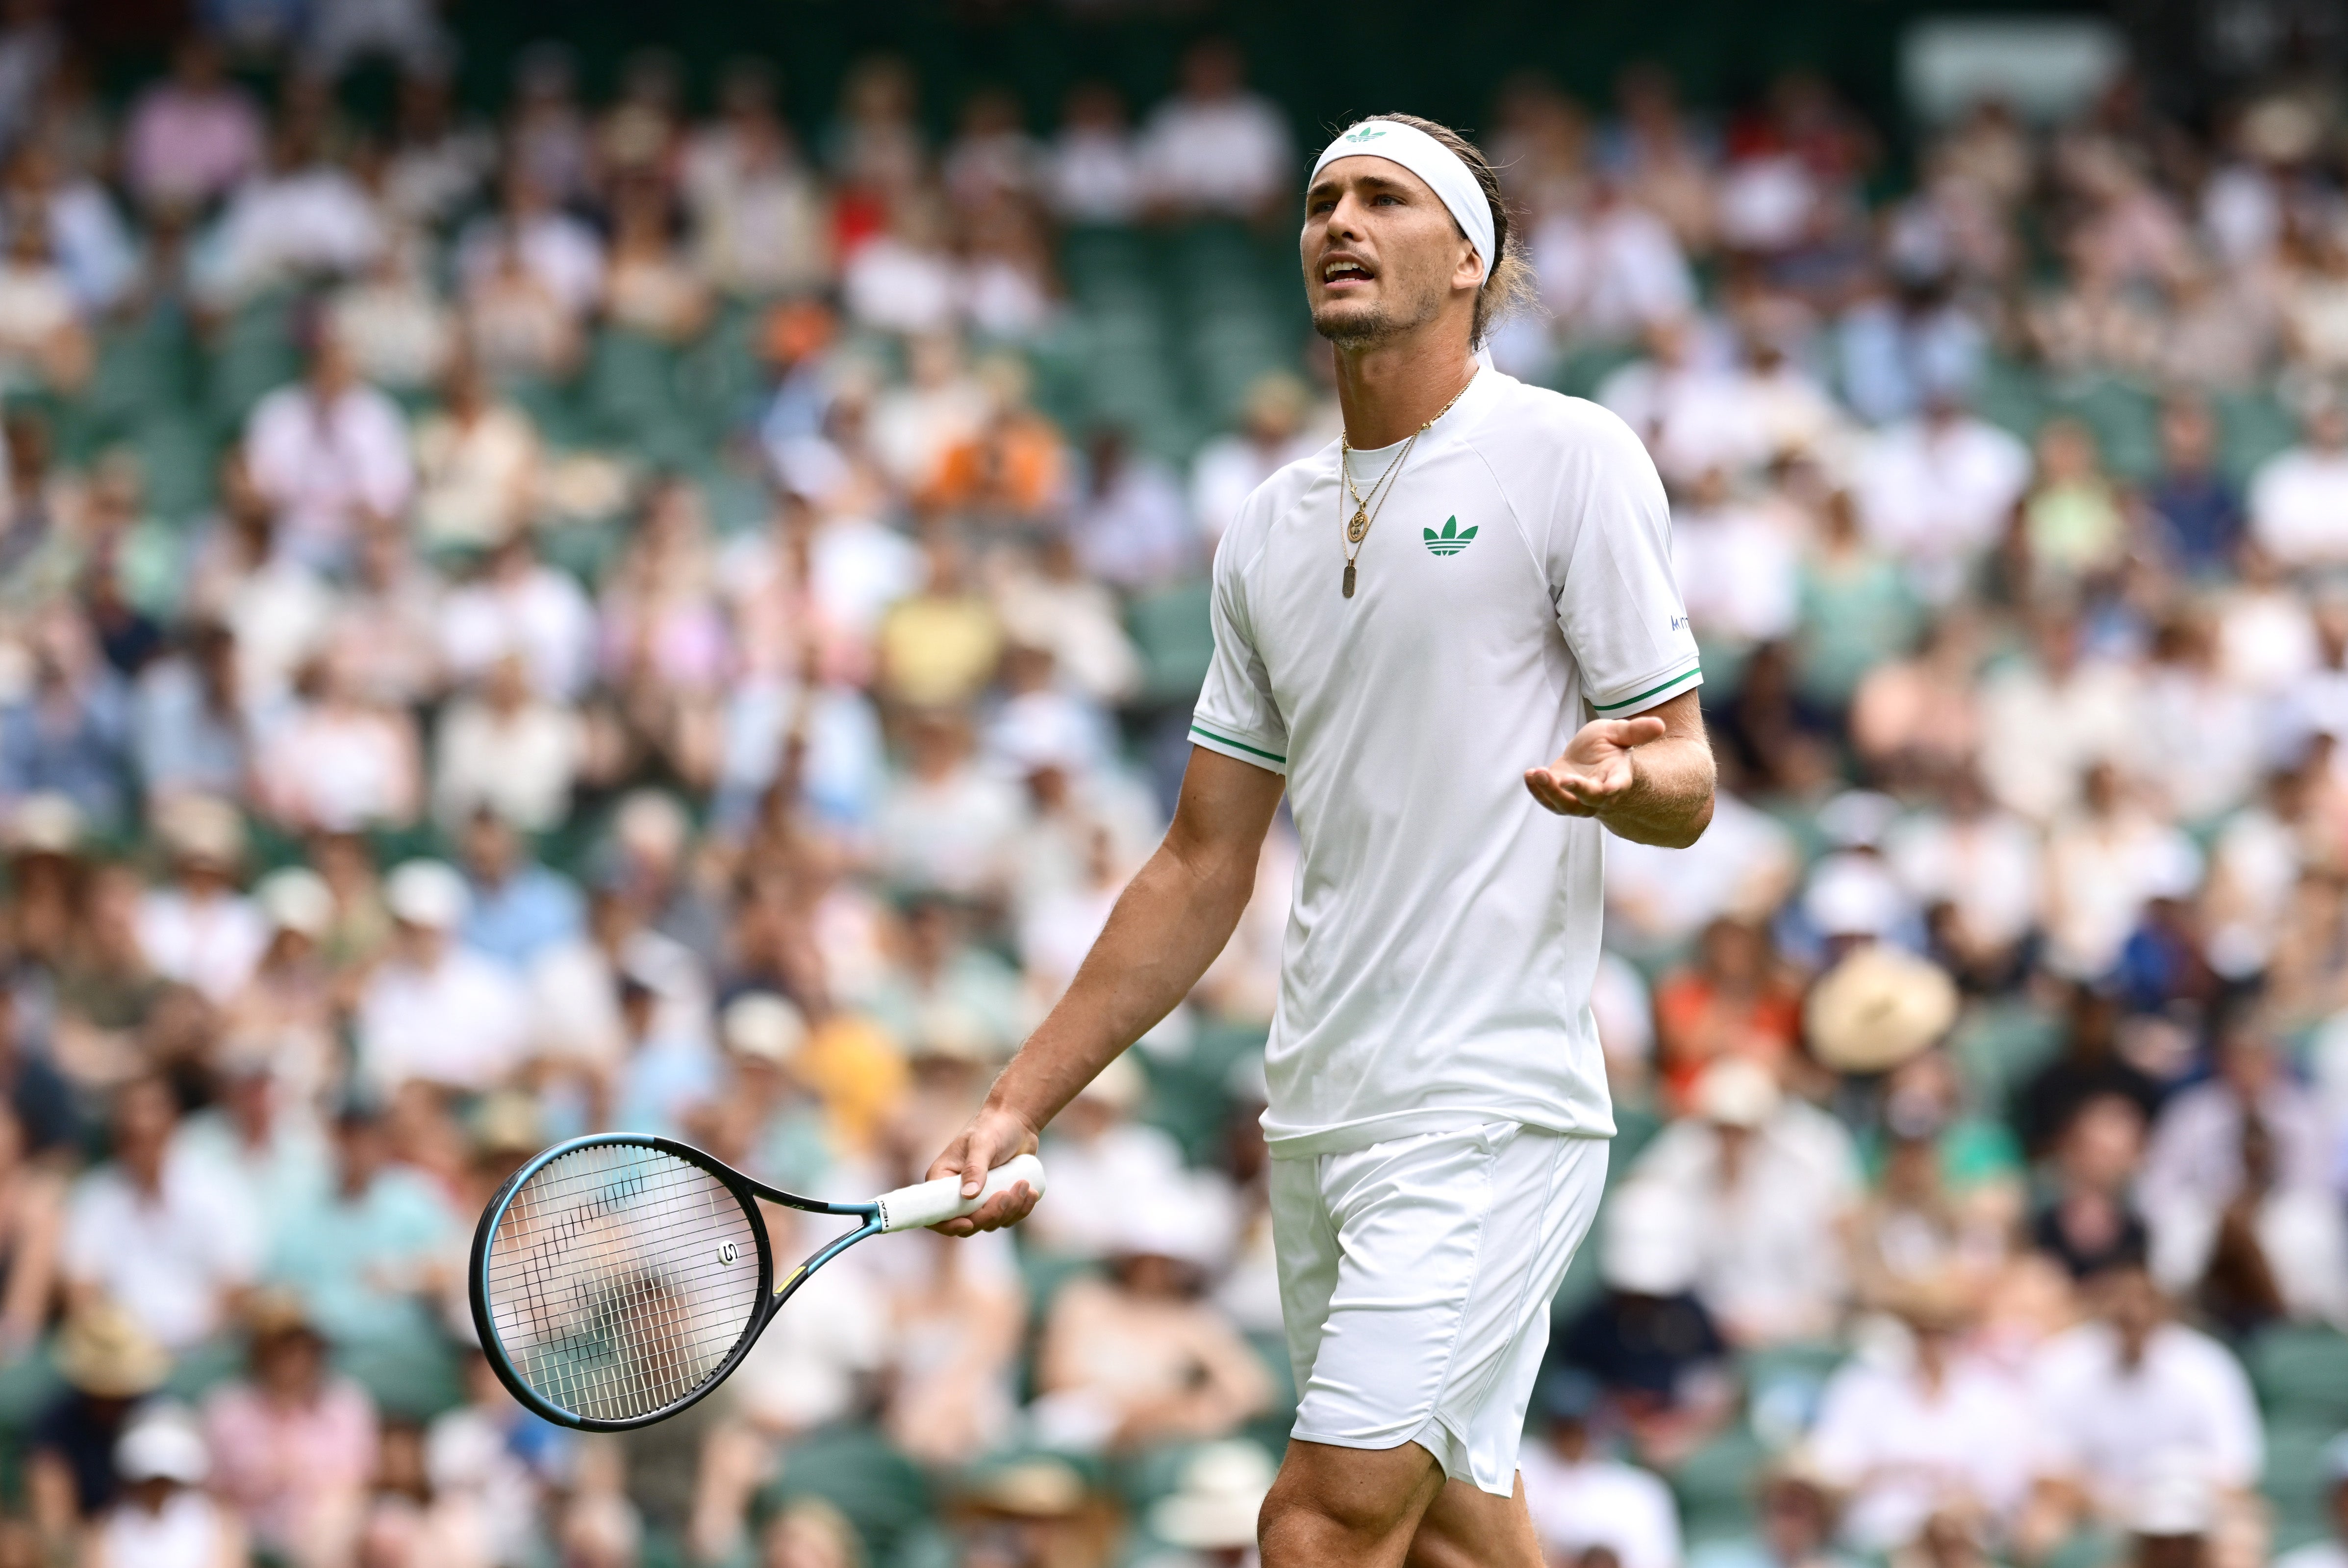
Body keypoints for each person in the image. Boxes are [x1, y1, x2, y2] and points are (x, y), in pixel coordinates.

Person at [925, 114, 1714, 1568]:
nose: (1340, 222)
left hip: (1485, 1103)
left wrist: (1627, 781)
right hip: (1319, 1114)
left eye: (1385, 200)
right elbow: (1198, 864)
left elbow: (1690, 774)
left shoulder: (1569, 456)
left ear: (1469, 260)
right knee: (1452, 1535)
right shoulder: (1268, 529)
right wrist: (1019, 1099)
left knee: (1316, 1528)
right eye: (1322, 201)